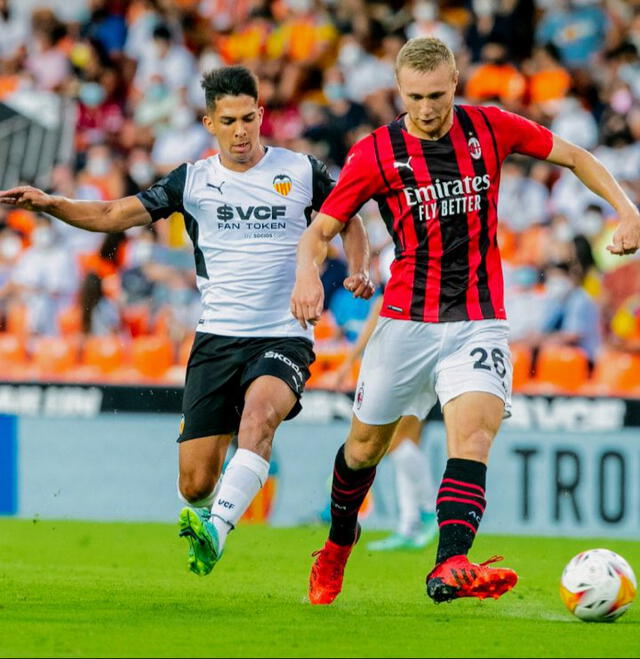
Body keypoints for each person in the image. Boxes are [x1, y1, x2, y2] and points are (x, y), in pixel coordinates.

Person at [290, 37, 640, 606]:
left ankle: (449, 562)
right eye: (414, 97)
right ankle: (336, 544)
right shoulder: (375, 153)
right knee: (362, 449)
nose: (426, 109)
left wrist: (627, 210)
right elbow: (321, 230)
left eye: (436, 95)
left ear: (456, 81)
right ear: (398, 93)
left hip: (479, 318)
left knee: (473, 436)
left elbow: (575, 155)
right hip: (405, 320)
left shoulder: (490, 127)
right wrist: (308, 275)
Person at [0, 65, 373, 577]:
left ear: (262, 115)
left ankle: (215, 531)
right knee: (195, 483)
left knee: (259, 419)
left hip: (283, 333)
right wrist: (53, 205)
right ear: (209, 123)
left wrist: (358, 268)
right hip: (217, 338)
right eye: (229, 120)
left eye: (248, 117)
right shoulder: (192, 181)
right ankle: (206, 511)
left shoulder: (303, 171)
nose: (241, 130)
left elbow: (347, 217)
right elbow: (113, 215)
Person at [329, 247, 437, 552]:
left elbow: (373, 322)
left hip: (408, 363)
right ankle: (409, 523)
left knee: (396, 444)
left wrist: (348, 364)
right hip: (426, 361)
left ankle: (428, 509)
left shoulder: (394, 288)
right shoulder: (427, 283)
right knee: (407, 444)